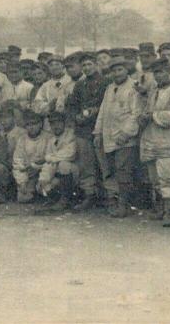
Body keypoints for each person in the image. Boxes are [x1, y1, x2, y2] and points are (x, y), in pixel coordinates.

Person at [138, 58, 170, 226]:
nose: (159, 75)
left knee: (166, 176)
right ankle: (160, 208)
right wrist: (144, 117)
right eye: (156, 73)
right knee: (154, 177)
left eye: (162, 72)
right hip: (151, 139)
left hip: (168, 140)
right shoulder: (153, 91)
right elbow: (148, 111)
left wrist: (154, 116)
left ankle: (169, 212)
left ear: (169, 73)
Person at [93, 57, 143, 218]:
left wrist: (127, 133)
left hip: (125, 138)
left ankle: (124, 205)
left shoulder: (134, 87)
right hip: (109, 136)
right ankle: (114, 201)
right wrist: (98, 132)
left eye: (120, 69)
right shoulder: (110, 88)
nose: (117, 73)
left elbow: (136, 113)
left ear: (127, 70)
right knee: (111, 170)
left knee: (124, 172)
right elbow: (103, 111)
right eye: (114, 70)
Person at [66, 52, 110, 210]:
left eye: (89, 64)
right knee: (86, 164)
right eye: (83, 65)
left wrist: (95, 110)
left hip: (101, 129)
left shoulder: (107, 82)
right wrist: (76, 117)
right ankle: (89, 195)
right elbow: (71, 105)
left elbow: (109, 104)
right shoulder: (79, 85)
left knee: (105, 164)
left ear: (96, 65)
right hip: (83, 130)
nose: (86, 68)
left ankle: (109, 197)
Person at [37, 111, 78, 210]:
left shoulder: (71, 134)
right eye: (52, 123)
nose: (56, 126)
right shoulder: (51, 139)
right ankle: (55, 200)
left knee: (63, 165)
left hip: (75, 171)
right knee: (41, 186)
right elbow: (49, 162)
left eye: (59, 122)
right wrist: (43, 179)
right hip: (58, 172)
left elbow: (70, 154)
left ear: (64, 123)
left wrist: (50, 157)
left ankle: (65, 200)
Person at [12, 111, 52, 203]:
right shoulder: (22, 139)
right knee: (23, 198)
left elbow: (50, 159)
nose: (31, 127)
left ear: (40, 124)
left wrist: (36, 167)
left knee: (46, 188)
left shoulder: (48, 138)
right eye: (28, 124)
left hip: (45, 171)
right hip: (28, 173)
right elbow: (18, 161)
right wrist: (22, 182)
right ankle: (31, 190)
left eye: (34, 123)